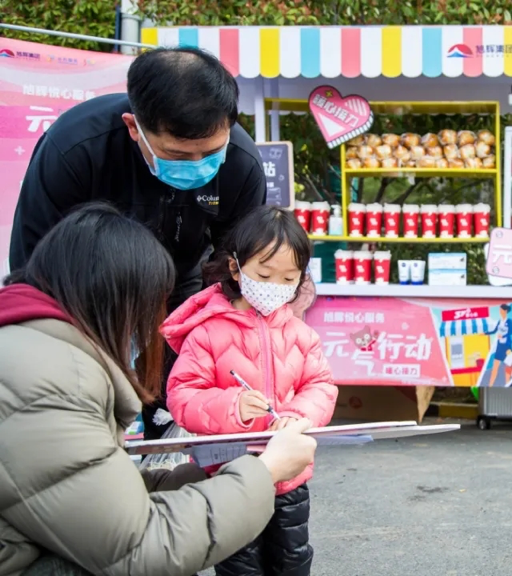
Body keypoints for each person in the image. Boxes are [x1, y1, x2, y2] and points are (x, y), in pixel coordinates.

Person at [0, 204, 318, 576]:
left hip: (269, 477)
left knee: (292, 558)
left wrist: (295, 419)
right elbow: (140, 547)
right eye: (149, 306)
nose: (148, 325)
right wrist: (260, 465)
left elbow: (80, 487)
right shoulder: (51, 381)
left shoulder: (33, 354)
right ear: (111, 299)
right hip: (239, 466)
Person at [9, 46, 269, 440]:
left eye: (211, 153)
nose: (198, 166)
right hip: (84, 300)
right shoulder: (76, 148)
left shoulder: (241, 164)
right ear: (134, 127)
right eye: (178, 155)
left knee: (173, 405)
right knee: (83, 410)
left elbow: (238, 263)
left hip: (183, 292)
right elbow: (32, 262)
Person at [162, 206, 338, 576]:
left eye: (288, 277)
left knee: (291, 559)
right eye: (264, 274)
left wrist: (299, 416)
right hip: (229, 475)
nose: (275, 287)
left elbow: (320, 385)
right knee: (240, 565)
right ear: (235, 268)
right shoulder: (208, 332)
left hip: (289, 477)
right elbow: (182, 395)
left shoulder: (301, 334)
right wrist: (232, 405)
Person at [486, 304, 512, 387]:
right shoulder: (499, 321)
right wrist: (485, 333)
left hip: (507, 347)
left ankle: (507, 385)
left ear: (505, 311)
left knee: (507, 367)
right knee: (495, 367)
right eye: (499, 310)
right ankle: (490, 385)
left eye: (501, 310)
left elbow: (511, 332)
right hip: (499, 347)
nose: (500, 311)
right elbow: (494, 331)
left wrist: (503, 336)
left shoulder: (509, 321)